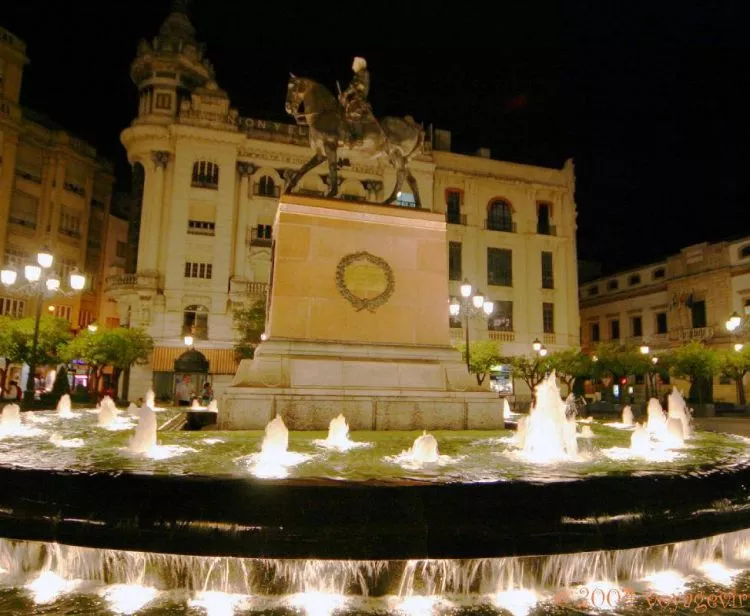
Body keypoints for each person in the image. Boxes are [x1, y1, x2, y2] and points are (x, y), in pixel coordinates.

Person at [339, 56, 373, 143]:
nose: (353, 64)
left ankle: (358, 137)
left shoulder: (363, 73)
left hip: (359, 99)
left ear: (359, 64)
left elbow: (355, 85)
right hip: (354, 98)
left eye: (354, 63)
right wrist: (343, 97)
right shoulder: (359, 74)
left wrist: (345, 94)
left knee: (354, 113)